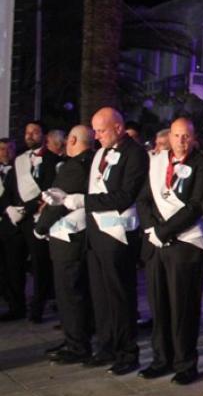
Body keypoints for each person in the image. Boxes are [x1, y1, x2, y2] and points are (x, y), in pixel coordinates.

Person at [68, 108, 149, 374]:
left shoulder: (135, 154)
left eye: (101, 130)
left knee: (120, 296)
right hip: (95, 234)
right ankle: (106, 347)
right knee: (100, 296)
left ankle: (127, 352)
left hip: (117, 234)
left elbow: (125, 196)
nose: (97, 136)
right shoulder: (100, 153)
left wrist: (84, 201)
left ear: (118, 128)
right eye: (95, 131)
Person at [135, 118, 203, 385]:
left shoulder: (202, 164)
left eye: (186, 136)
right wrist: (152, 230)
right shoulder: (157, 162)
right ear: (169, 137)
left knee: (183, 308)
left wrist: (164, 231)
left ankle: (185, 363)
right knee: (159, 306)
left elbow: (195, 206)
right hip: (156, 244)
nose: (181, 141)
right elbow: (143, 199)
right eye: (177, 135)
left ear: (193, 138)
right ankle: (161, 359)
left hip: (185, 244)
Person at [33, 126, 94, 364]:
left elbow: (58, 202)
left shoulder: (75, 166)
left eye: (68, 139)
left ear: (74, 140)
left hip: (69, 237)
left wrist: (40, 227)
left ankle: (77, 344)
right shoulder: (91, 161)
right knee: (76, 291)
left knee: (69, 293)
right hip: (80, 236)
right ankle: (75, 338)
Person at [4, 121, 62, 323]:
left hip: (36, 219)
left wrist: (25, 210)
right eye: (27, 132)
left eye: (35, 132)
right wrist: (9, 208)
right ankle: (16, 307)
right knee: (13, 265)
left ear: (44, 136)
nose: (29, 135)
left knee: (39, 266)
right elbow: (8, 189)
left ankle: (37, 309)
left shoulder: (54, 160)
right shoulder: (18, 160)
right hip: (15, 220)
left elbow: (49, 191)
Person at [0, 138, 26, 322]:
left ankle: (16, 307)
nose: (5, 152)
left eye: (9, 149)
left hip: (12, 227)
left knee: (14, 269)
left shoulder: (19, 171)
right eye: (1, 149)